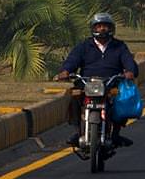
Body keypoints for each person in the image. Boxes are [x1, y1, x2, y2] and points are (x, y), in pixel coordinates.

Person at [55, 13, 139, 148]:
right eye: (99, 26)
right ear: (93, 28)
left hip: (110, 83)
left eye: (105, 26)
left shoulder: (119, 46)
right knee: (73, 97)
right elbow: (72, 60)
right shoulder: (83, 46)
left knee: (123, 99)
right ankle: (78, 131)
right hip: (86, 83)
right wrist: (65, 71)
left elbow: (128, 61)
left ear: (111, 28)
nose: (102, 29)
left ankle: (116, 134)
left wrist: (130, 71)